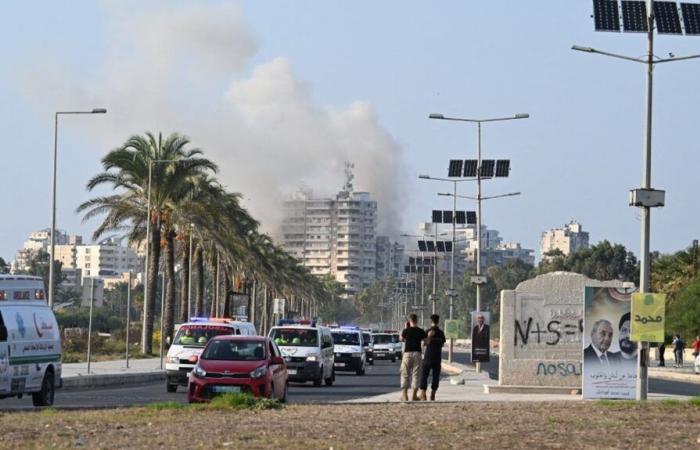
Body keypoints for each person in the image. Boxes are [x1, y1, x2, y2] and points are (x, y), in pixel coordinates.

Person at [399, 313, 426, 401]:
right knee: (416, 374)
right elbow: (426, 341)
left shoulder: (406, 330)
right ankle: (414, 395)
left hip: (407, 354)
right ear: (416, 320)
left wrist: (405, 328)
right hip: (417, 353)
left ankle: (405, 395)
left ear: (410, 321)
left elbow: (401, 339)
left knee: (405, 374)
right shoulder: (420, 331)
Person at [419, 314, 446, 401]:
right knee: (436, 376)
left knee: (424, 375)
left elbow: (425, 344)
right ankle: (432, 394)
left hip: (428, 357)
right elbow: (442, 344)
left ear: (431, 321)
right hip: (437, 358)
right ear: (438, 322)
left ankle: (423, 394)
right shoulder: (441, 333)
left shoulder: (427, 331)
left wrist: (430, 337)